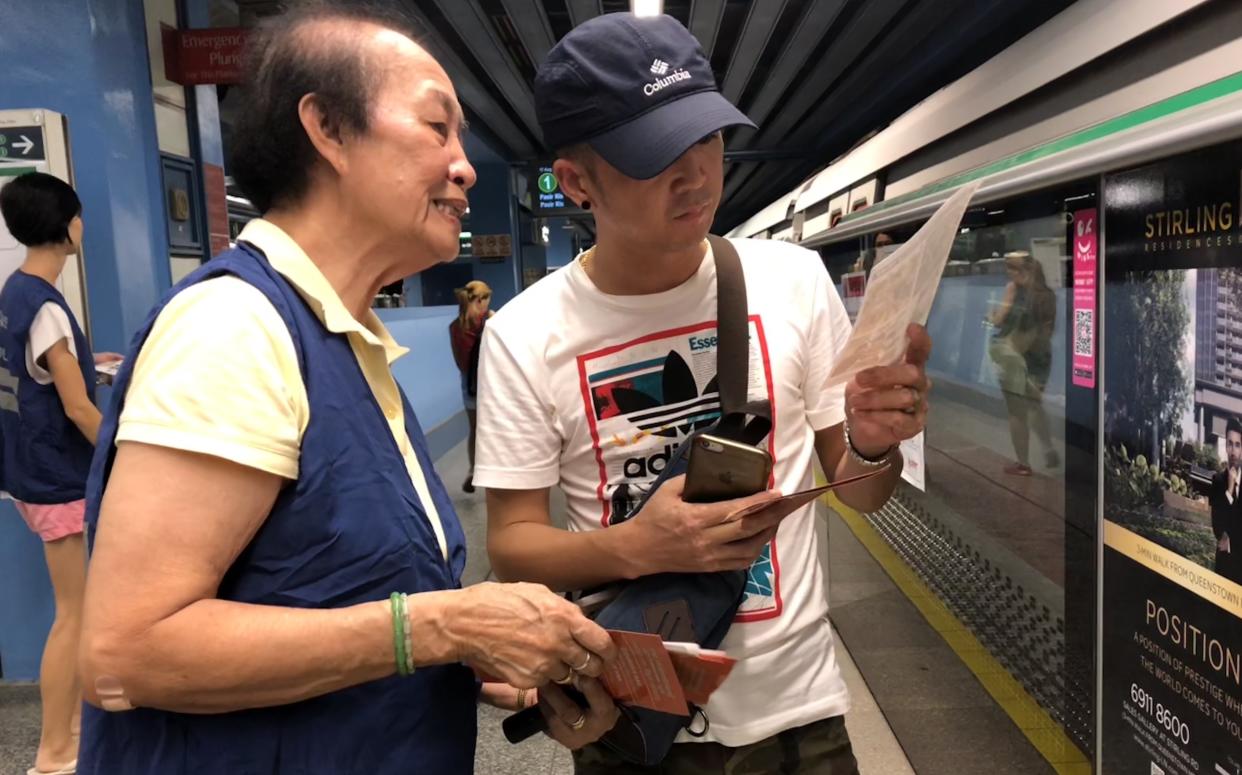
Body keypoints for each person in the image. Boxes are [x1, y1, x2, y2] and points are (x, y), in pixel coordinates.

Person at [75, 5, 618, 774]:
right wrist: (441, 626)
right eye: (439, 128)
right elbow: (129, 648)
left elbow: (325, 600)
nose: (464, 166)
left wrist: (477, 653)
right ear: (327, 129)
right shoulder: (236, 325)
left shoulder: (342, 343)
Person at [477, 13, 932, 774]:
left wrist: (877, 441)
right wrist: (636, 546)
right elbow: (512, 545)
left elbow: (860, 493)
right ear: (577, 181)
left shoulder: (790, 282)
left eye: (708, 140)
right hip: (632, 720)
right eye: (654, 157)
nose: (695, 175)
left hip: (801, 717)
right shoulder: (526, 334)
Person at [0, 172, 119, 775]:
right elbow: (77, 407)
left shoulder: (15, 290)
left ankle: (72, 726)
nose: (81, 226)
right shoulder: (46, 305)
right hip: (56, 477)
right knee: (73, 612)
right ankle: (52, 754)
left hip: (25, 470)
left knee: (76, 607)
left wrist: (83, 360)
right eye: (77, 217)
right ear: (65, 226)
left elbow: (41, 372)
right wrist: (117, 457)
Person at [988, 251, 1059, 476]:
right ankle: (1048, 449)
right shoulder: (1047, 295)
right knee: (1034, 405)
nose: (1010, 273)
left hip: (1014, 355)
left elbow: (998, 320)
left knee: (1017, 412)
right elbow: (1047, 332)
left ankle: (1023, 463)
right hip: (1040, 357)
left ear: (1024, 270)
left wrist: (992, 316)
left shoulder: (1014, 291)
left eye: (1012, 268)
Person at [449, 280, 493, 492]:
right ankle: (498, 473)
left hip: (469, 386)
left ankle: (473, 470)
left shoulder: (455, 327)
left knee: (475, 429)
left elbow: (460, 363)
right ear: (480, 300)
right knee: (498, 429)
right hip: (492, 385)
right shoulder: (491, 322)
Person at [1209, 417, 1242, 583]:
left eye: (1238, 445)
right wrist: (1229, 490)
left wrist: (1230, 543)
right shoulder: (1217, 481)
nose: (1233, 451)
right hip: (1223, 570)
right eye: (1230, 444)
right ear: (1226, 446)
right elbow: (1217, 527)